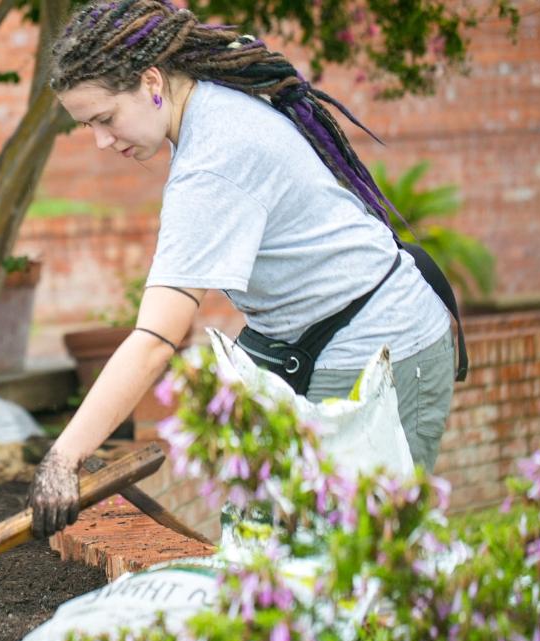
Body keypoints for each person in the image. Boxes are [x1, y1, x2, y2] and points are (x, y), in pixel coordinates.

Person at [29, 0, 466, 539]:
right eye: (87, 126)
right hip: (309, 340)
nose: (101, 140)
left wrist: (63, 456)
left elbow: (156, 338)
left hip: (383, 349)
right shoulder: (211, 103)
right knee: (266, 543)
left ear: (150, 81)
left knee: (352, 556)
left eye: (105, 118)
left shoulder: (213, 160)